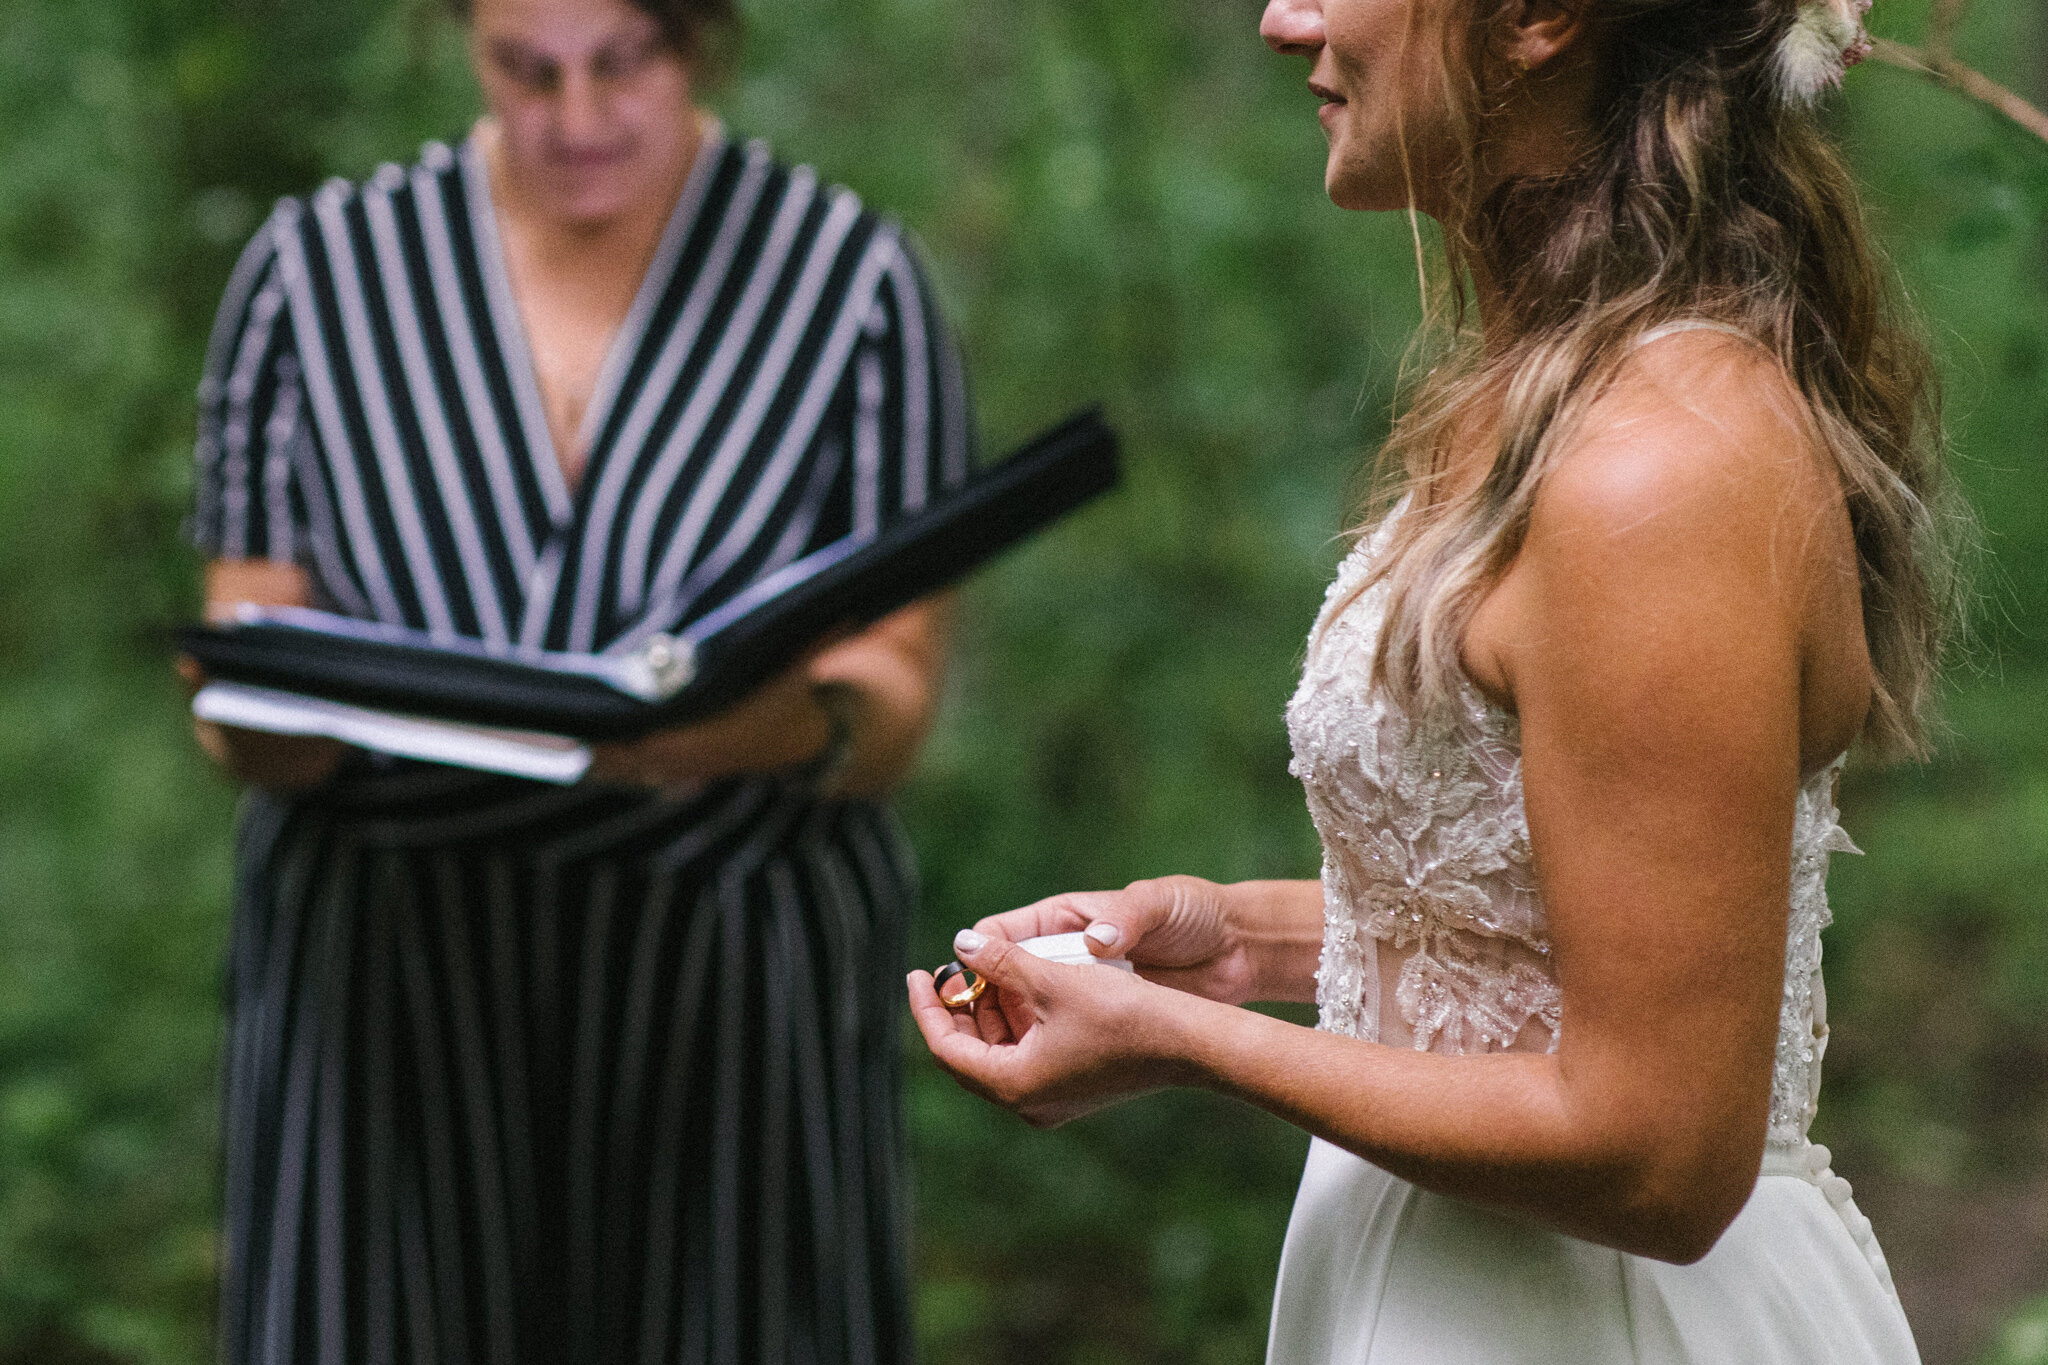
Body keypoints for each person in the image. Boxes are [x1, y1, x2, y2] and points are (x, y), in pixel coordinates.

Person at [909, 0, 1953, 1360]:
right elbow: (1549, 919)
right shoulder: (1553, 392)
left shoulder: (1664, 466)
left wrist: (1175, 1039)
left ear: (1535, 19)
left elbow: (1663, 1152)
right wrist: (1236, 941)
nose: (1284, 20)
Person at [185, 0, 971, 1359]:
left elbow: (893, 693)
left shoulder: (849, 281)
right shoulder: (315, 272)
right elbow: (251, 634)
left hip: (729, 977)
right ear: (463, 44)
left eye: (623, 65)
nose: (577, 118)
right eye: (526, 72)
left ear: (701, 43)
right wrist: (273, 717)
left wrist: (759, 726)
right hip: (384, 973)